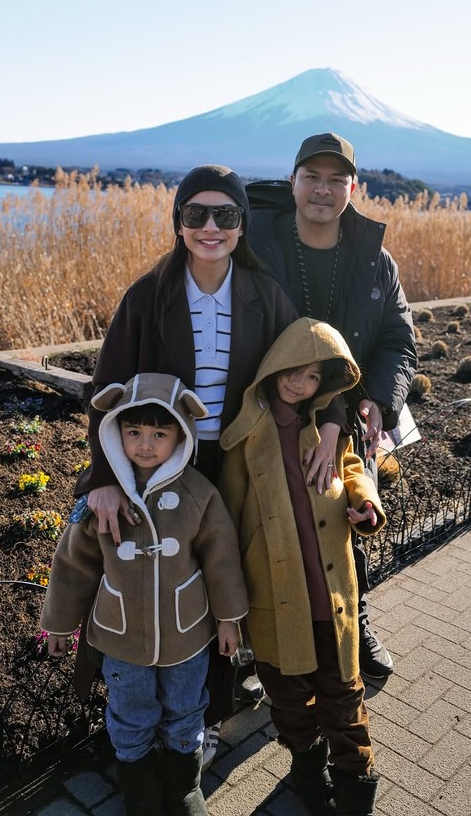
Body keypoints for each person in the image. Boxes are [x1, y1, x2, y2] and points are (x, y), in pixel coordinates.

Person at [81, 165, 340, 757]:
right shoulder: (148, 296)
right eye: (195, 213)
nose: (210, 227)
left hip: (240, 463)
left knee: (225, 578)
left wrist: (331, 420)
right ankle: (138, 715)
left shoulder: (264, 295)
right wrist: (105, 477)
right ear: (178, 222)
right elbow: (105, 389)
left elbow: (306, 363)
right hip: (158, 468)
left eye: (225, 214)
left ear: (242, 225)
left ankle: (208, 714)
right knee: (164, 580)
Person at [247, 132, 417, 679]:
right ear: (292, 181)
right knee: (267, 521)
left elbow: (398, 341)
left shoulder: (374, 260)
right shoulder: (257, 247)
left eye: (336, 180)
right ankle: (259, 642)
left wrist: (380, 404)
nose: (323, 189)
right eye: (312, 177)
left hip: (348, 414)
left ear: (353, 188)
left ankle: (354, 621)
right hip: (272, 412)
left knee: (346, 517)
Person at [40, 372, 249, 815]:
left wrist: (229, 618)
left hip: (186, 634)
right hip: (122, 637)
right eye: (133, 432)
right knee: (129, 713)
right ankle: (140, 795)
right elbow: (74, 563)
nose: (146, 445)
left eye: (159, 433)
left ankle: (184, 788)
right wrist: (59, 623)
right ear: (116, 431)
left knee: (185, 710)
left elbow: (222, 560)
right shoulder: (104, 497)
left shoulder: (198, 493)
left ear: (182, 434)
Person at [219, 317, 386, 816]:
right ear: (273, 367)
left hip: (332, 597)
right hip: (275, 598)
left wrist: (365, 503)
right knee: (290, 700)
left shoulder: (326, 429)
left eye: (313, 376)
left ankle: (355, 788)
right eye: (293, 369)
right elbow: (228, 519)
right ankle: (308, 768)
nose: (300, 382)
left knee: (345, 699)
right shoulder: (245, 437)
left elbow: (352, 469)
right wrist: (229, 601)